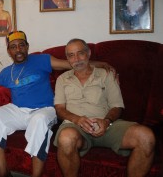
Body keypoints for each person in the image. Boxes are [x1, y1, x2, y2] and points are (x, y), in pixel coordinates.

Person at [0, 31, 115, 177]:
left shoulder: (43, 60)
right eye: (13, 47)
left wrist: (100, 64)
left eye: (22, 45)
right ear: (9, 51)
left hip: (45, 109)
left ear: (27, 46)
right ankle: (4, 172)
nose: (18, 50)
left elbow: (72, 64)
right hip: (18, 110)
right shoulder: (6, 72)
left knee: (39, 120)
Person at [53, 38, 155, 177]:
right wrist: (78, 120)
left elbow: (117, 106)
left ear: (88, 53)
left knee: (146, 136)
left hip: (107, 125)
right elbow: (59, 109)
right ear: (67, 59)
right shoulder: (62, 79)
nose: (76, 59)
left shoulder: (106, 74)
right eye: (71, 55)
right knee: (66, 138)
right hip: (75, 126)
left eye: (80, 53)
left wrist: (106, 121)